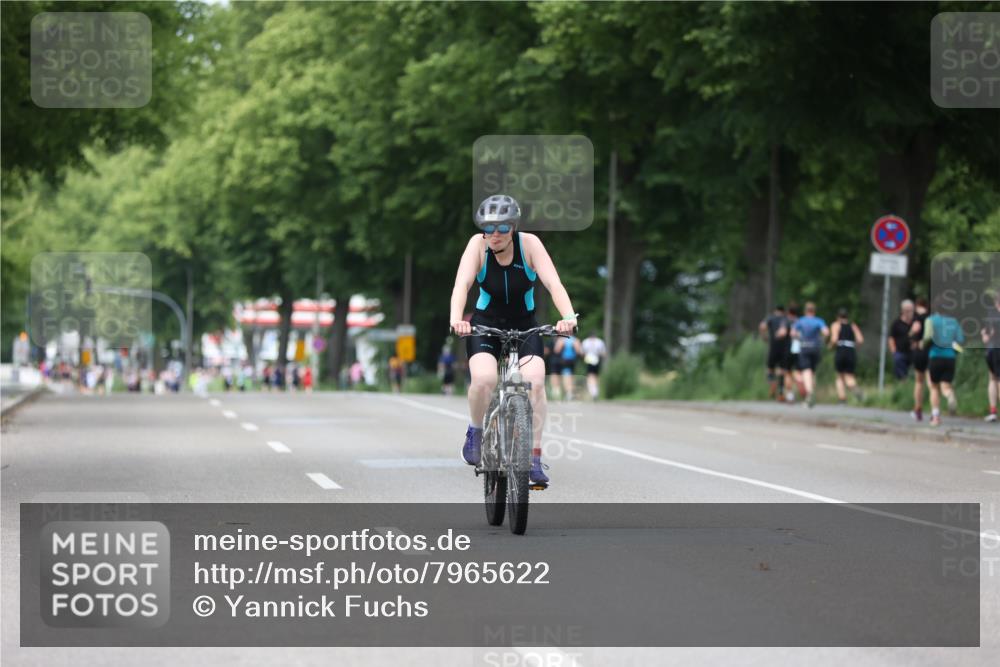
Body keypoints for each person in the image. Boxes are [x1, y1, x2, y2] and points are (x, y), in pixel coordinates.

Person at [449, 194, 578, 488]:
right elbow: (462, 284)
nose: (495, 235)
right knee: (483, 379)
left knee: (535, 380)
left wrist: (568, 316)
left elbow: (552, 283)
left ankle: (533, 458)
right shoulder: (477, 246)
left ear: (514, 228)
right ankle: (476, 431)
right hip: (485, 325)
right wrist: (457, 318)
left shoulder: (530, 245)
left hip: (525, 325)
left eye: (503, 228)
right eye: (488, 228)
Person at [921, 298, 964, 427]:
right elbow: (960, 339)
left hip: (935, 356)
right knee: (945, 386)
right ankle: (950, 396)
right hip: (950, 357)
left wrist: (922, 344)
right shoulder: (954, 322)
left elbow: (928, 336)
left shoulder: (931, 320)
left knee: (933, 387)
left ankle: (935, 417)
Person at [792, 302, 829, 407]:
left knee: (806, 371)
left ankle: (810, 394)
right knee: (812, 372)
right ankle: (810, 395)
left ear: (805, 310)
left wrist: (799, 337)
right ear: (814, 311)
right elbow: (826, 332)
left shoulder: (801, 321)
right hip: (816, 348)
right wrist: (822, 340)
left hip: (805, 347)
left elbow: (793, 333)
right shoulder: (819, 321)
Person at [829, 308, 864, 403]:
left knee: (840, 376)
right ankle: (856, 390)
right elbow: (860, 340)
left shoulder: (836, 325)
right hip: (851, 350)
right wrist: (853, 345)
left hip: (841, 350)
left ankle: (842, 398)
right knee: (849, 376)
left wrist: (830, 346)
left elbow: (834, 339)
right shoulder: (853, 326)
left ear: (837, 317)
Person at [759, 305, 789, 401]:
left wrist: (764, 336)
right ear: (783, 311)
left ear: (775, 310)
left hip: (773, 346)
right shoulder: (786, 318)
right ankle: (780, 392)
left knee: (770, 368)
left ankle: (772, 383)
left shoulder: (770, 318)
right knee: (782, 370)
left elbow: (762, 326)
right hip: (784, 348)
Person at [910, 297, 931, 421]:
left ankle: (918, 410)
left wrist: (911, 334)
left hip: (919, 351)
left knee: (919, 382)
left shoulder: (917, 318)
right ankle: (935, 410)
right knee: (931, 383)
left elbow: (913, 331)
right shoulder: (930, 317)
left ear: (917, 306)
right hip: (931, 352)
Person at [980, 290, 1000, 423]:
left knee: (993, 379)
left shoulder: (991, 315)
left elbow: (986, 337)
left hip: (992, 350)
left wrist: (985, 335)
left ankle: (993, 411)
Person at [888, 300, 915, 380]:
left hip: (912, 352)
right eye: (908, 310)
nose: (910, 313)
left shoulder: (915, 323)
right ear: (903, 311)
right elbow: (891, 338)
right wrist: (894, 352)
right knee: (901, 375)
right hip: (900, 353)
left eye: (911, 310)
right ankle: (902, 387)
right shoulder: (896, 323)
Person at [554, 334, 583, 401]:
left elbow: (556, 350)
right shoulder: (575, 340)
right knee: (571, 376)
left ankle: (568, 392)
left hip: (565, 360)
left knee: (566, 376)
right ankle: (570, 392)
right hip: (573, 360)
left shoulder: (562, 339)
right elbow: (579, 351)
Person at [580, 330, 607, 400]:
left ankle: (593, 390)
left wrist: (584, 357)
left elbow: (582, 353)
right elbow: (603, 353)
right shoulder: (599, 342)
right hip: (596, 359)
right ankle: (595, 390)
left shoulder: (585, 342)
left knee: (590, 375)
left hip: (589, 359)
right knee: (595, 376)